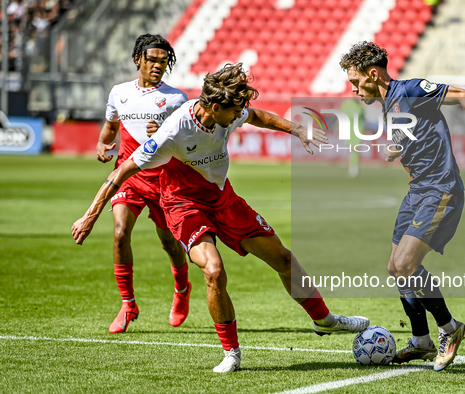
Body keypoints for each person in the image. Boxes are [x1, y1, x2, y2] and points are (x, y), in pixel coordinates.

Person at [73, 63, 370, 373]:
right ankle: (231, 353)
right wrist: (89, 217)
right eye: (234, 111)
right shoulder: (174, 130)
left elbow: (256, 115)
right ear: (214, 107)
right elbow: (122, 171)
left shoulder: (230, 111)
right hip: (183, 205)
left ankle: (326, 321)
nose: (238, 116)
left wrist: (296, 128)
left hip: (223, 199)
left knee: (282, 259)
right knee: (214, 270)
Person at [339, 41, 465, 371]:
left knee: (406, 264)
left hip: (441, 190)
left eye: (354, 82)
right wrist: (397, 147)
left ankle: (450, 329)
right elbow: (415, 134)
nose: (352, 89)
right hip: (417, 192)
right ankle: (421, 340)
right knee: (396, 268)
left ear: (372, 74)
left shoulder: (410, 90)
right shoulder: (389, 105)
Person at [96, 34, 191, 334]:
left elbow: (187, 144)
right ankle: (128, 304)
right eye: (152, 60)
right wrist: (102, 143)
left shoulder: (176, 99)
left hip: (163, 180)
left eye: (164, 61)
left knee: (169, 243)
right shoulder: (119, 92)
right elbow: (111, 126)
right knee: (120, 231)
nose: (158, 66)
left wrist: (163, 132)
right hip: (130, 175)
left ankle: (182, 287)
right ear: (138, 59)